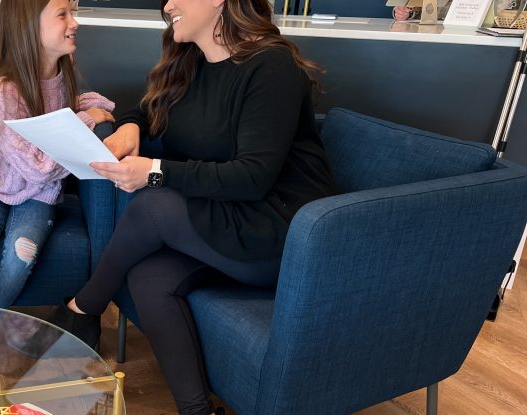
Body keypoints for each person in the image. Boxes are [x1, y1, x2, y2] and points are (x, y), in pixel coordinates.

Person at [47, 0, 338, 414]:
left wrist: (155, 171)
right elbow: (146, 108)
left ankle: (81, 309)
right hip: (227, 216)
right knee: (149, 278)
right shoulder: (191, 62)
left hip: (280, 230)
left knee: (151, 206)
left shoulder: (272, 67)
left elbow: (252, 177)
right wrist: (130, 126)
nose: (168, 6)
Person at [0, 0, 115, 309]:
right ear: (29, 27)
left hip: (40, 195)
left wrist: (92, 110)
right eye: (62, 15)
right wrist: (86, 120)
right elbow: (38, 168)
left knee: (19, 261)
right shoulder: (4, 92)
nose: (75, 23)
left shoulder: (62, 73)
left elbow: (77, 105)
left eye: (72, 13)